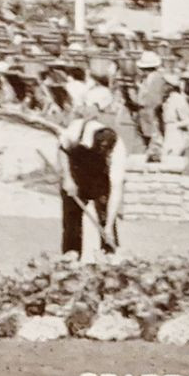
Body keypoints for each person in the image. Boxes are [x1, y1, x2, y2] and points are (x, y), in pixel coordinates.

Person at [57, 83, 126, 262]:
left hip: (100, 183)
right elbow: (63, 150)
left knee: (105, 220)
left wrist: (109, 224)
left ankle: (109, 254)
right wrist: (68, 180)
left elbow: (116, 187)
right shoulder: (77, 127)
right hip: (74, 179)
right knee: (72, 224)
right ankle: (71, 258)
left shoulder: (118, 145)